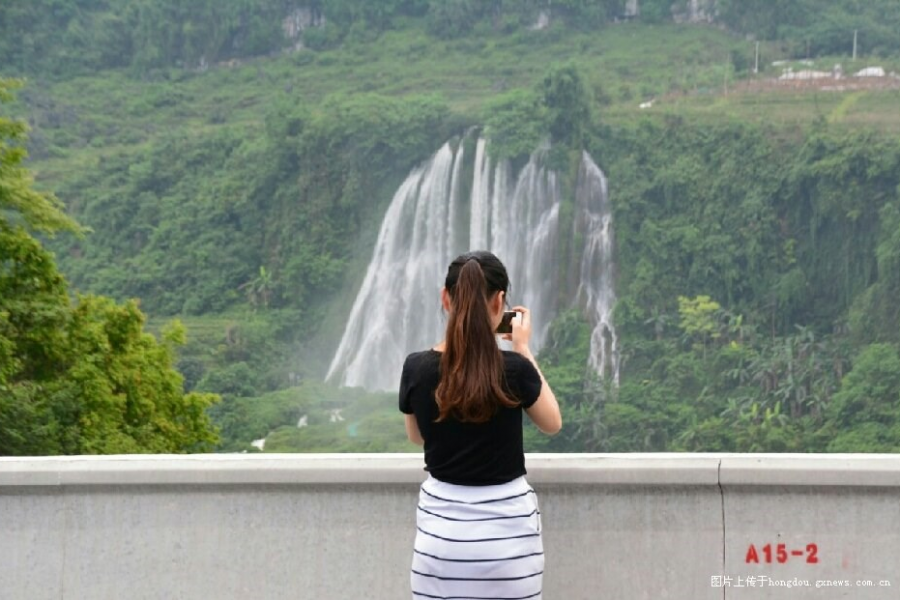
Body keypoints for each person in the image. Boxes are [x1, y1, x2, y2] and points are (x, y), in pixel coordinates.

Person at [399, 250, 562, 600]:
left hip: (441, 544)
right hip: (510, 545)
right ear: (499, 302)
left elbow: (416, 437)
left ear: (445, 298)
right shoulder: (514, 370)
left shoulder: (416, 368)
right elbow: (552, 422)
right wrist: (522, 348)